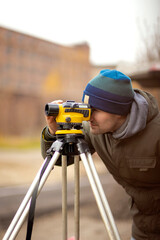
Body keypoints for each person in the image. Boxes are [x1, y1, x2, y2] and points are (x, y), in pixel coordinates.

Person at [41, 69, 160, 240]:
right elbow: (60, 159)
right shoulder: (96, 131)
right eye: (87, 108)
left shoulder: (155, 133)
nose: (88, 116)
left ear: (118, 110)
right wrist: (55, 133)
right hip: (142, 230)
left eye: (95, 110)